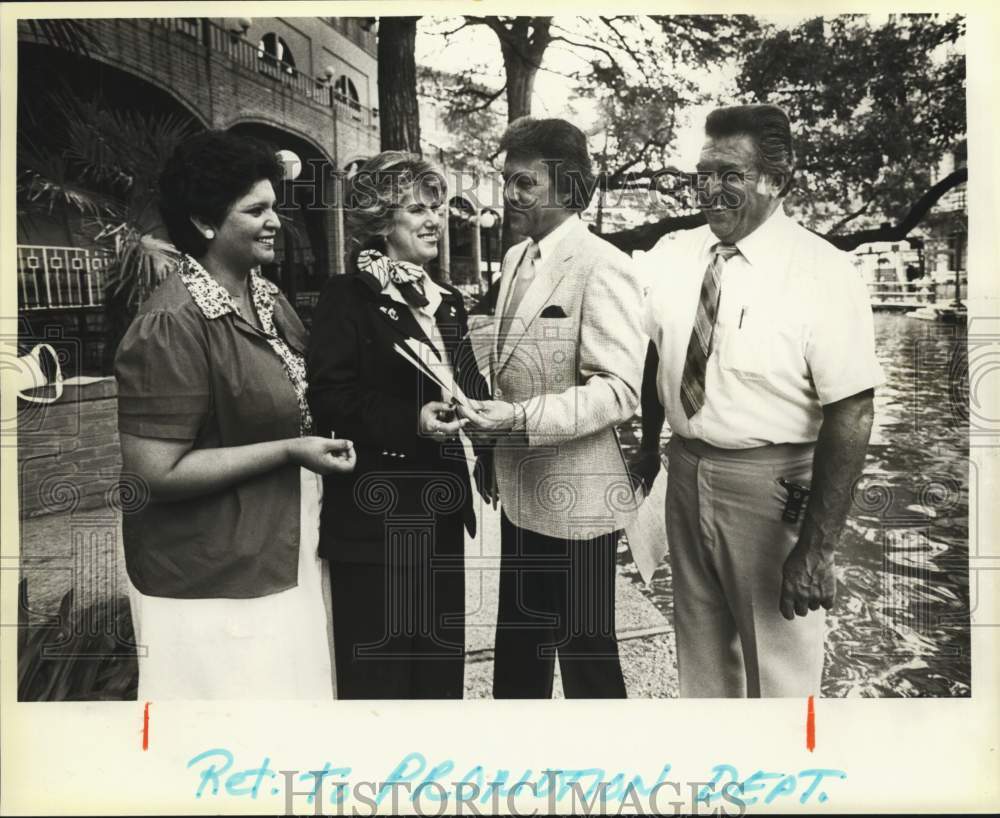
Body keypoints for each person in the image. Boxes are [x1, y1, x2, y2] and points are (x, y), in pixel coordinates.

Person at [638, 104, 885, 697]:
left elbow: (852, 410)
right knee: (701, 663)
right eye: (703, 173)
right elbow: (656, 353)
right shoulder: (675, 254)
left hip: (774, 492)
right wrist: (649, 450)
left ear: (778, 180)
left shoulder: (824, 272)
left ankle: (783, 785)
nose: (711, 190)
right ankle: (723, 781)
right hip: (686, 471)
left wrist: (817, 549)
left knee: (780, 675)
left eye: (731, 174)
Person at [115, 130, 356, 700]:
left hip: (279, 548)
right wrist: (287, 451)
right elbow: (154, 472)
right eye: (256, 210)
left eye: (275, 205)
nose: (276, 221)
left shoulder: (268, 300)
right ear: (204, 223)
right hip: (209, 579)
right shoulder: (171, 324)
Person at [460, 117, 645, 699]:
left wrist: (518, 419)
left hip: (580, 501)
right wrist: (490, 445)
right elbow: (505, 365)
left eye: (523, 184)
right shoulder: (516, 259)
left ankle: (609, 779)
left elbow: (620, 390)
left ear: (565, 185)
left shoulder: (604, 265)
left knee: (589, 658)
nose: (509, 198)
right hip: (518, 488)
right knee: (520, 648)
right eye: (507, 182)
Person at [306, 152, 488, 699]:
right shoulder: (347, 297)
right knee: (379, 683)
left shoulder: (447, 302)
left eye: (437, 206)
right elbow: (329, 399)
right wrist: (413, 421)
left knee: (437, 677)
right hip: (373, 519)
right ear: (383, 219)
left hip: (439, 512)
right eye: (416, 208)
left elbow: (470, 387)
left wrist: (490, 417)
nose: (435, 219)